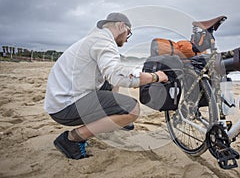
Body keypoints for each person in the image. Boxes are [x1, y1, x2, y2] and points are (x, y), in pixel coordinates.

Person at [44, 12, 168, 160]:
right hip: (65, 106)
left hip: (63, 98)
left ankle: (115, 119)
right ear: (121, 26)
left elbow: (114, 73)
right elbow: (117, 74)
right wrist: (155, 77)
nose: (127, 40)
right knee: (132, 109)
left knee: (112, 83)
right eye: (129, 34)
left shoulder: (97, 39)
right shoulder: (103, 42)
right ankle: (71, 139)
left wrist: (136, 74)